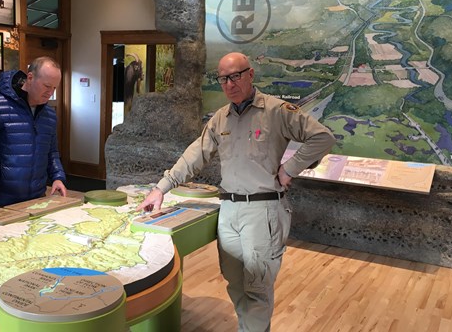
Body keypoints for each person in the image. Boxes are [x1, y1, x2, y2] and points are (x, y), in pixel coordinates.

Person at [137, 52, 336, 331]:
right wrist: (161, 188)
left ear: (250, 74)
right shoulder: (221, 118)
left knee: (257, 288)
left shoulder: (276, 111)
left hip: (263, 211)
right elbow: (195, 155)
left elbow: (322, 137)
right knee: (235, 283)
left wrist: (290, 168)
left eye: (235, 76)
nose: (229, 84)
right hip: (229, 210)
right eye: (223, 79)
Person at [0, 56, 67, 213]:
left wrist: (57, 177)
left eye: (54, 88)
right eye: (47, 86)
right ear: (30, 78)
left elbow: (51, 152)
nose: (50, 93)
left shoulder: (49, 115)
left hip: (37, 198)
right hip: (1, 200)